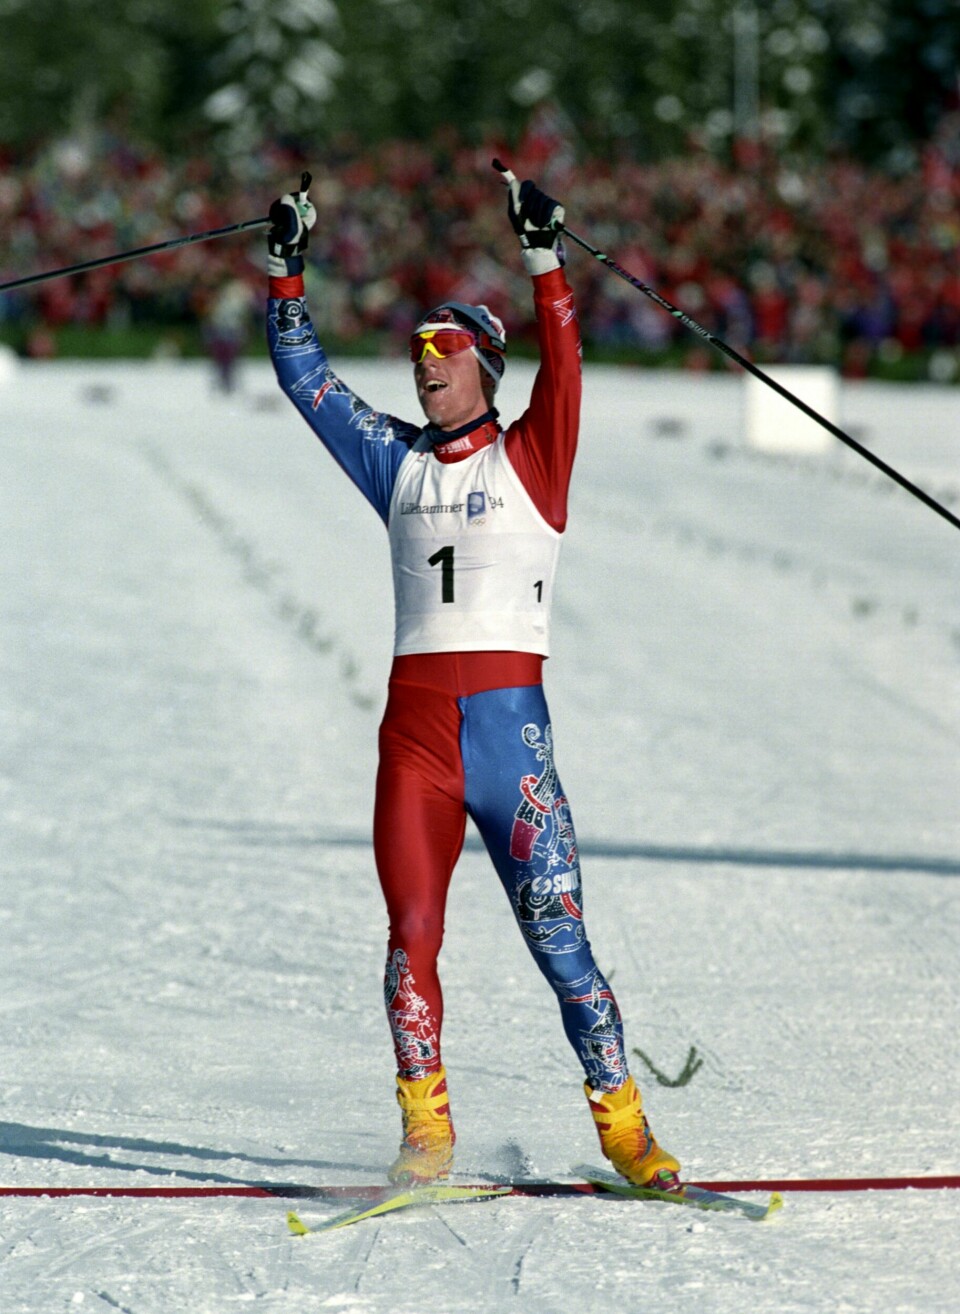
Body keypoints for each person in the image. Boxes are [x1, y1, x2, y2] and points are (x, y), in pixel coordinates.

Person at [265, 169, 681, 1191]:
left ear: (486, 368)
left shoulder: (535, 458)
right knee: (411, 937)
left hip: (509, 741)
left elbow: (569, 367)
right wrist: (285, 269)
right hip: (415, 738)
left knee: (563, 949)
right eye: (415, 352)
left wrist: (545, 257)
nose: (423, 367)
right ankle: (426, 1134)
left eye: (445, 352)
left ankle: (624, 1127)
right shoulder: (395, 465)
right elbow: (303, 376)